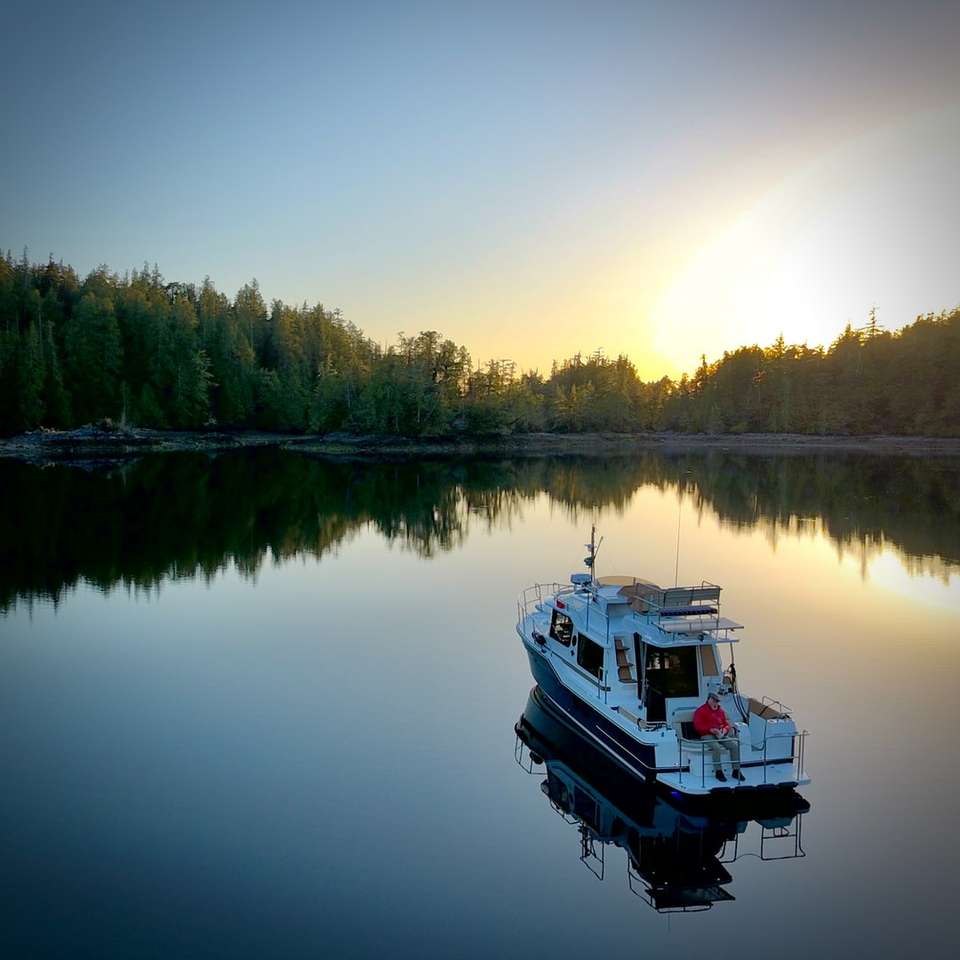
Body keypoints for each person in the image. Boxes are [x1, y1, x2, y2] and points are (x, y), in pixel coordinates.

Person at [693, 692, 745, 782]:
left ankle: (736, 770)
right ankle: (718, 772)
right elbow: (698, 727)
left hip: (720, 734)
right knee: (716, 747)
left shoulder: (721, 711)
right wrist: (710, 730)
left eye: (717, 701)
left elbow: (726, 724)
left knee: (735, 746)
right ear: (709, 699)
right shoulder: (700, 711)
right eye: (714, 700)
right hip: (707, 735)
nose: (715, 703)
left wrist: (724, 730)